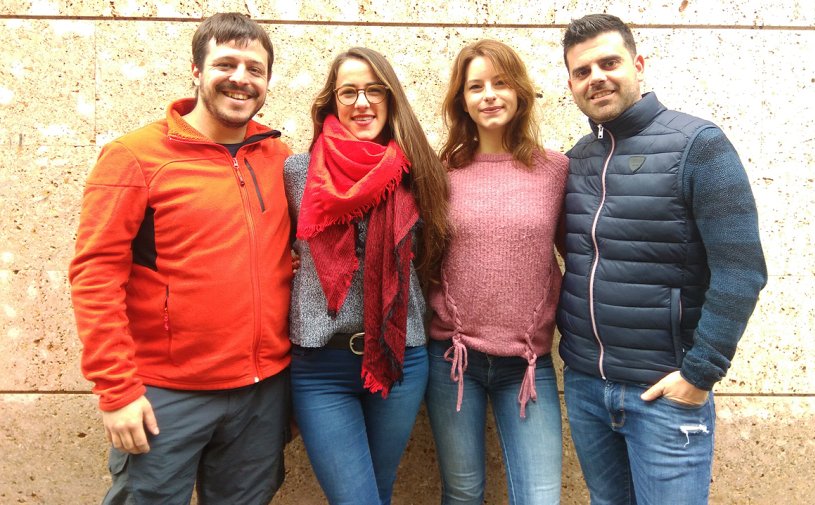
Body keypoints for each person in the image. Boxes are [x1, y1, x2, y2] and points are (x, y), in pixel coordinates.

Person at [68, 13, 293, 505]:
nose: (241, 78)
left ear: (268, 80)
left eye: (255, 69)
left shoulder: (280, 158)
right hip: (165, 395)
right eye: (226, 63)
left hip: (262, 394)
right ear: (196, 70)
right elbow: (95, 277)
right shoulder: (135, 157)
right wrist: (117, 390)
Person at [556, 13, 768, 505]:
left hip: (664, 395)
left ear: (638, 64)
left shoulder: (699, 145)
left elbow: (742, 270)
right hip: (588, 387)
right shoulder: (578, 159)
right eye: (582, 71)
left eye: (609, 63)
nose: (597, 78)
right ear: (570, 83)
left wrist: (699, 375)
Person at [283, 47, 449, 505]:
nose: (362, 102)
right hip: (321, 366)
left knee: (380, 491)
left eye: (375, 90)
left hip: (401, 358)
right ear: (331, 103)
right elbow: (270, 249)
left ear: (391, 99)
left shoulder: (419, 172)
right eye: (349, 91)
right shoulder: (297, 172)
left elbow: (434, 260)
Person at [426, 39, 568, 505]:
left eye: (500, 82)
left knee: (541, 497)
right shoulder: (438, 173)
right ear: (461, 100)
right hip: (453, 360)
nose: (489, 94)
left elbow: (584, 252)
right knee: (463, 493)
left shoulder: (555, 170)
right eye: (476, 86)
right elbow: (417, 256)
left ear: (520, 92)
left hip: (527, 365)